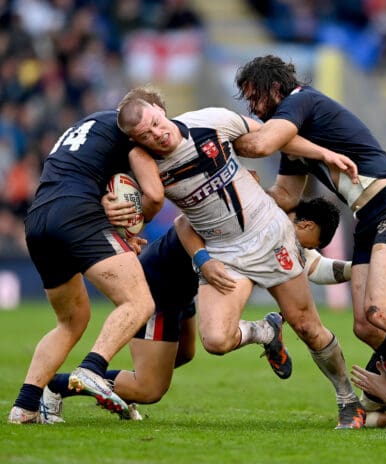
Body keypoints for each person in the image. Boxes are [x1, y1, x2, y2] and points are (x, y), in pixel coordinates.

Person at [233, 54, 386, 430]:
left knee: (381, 310)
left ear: (275, 89)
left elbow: (259, 144)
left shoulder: (301, 100)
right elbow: (285, 196)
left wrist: (221, 135)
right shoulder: (293, 140)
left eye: (254, 97)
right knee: (368, 327)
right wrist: (249, 194)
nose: (252, 108)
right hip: (367, 218)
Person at [115, 85, 365, 429]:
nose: (158, 134)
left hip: (268, 234)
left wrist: (322, 154)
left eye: (157, 123)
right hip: (223, 253)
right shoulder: (145, 165)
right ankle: (265, 330)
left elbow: (269, 138)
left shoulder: (210, 122)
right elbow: (182, 221)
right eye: (146, 134)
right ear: (137, 140)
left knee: (307, 325)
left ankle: (347, 400)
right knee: (216, 340)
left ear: (162, 111)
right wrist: (201, 258)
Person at [40, 197, 352, 423]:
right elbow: (182, 221)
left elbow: (316, 268)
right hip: (156, 292)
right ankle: (55, 387)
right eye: (312, 242)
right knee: (149, 388)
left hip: (181, 291)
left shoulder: (270, 223)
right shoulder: (250, 210)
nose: (307, 250)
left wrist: (361, 269)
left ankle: (119, 390)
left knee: (185, 354)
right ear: (307, 224)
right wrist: (202, 258)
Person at [7, 109, 166, 424]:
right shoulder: (131, 130)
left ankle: (24, 406)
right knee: (139, 302)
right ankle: (92, 368)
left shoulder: (83, 127)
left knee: (71, 320)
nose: (153, 132)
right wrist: (135, 222)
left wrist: (116, 232)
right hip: (77, 213)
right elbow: (155, 196)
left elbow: (90, 178)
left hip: (38, 218)